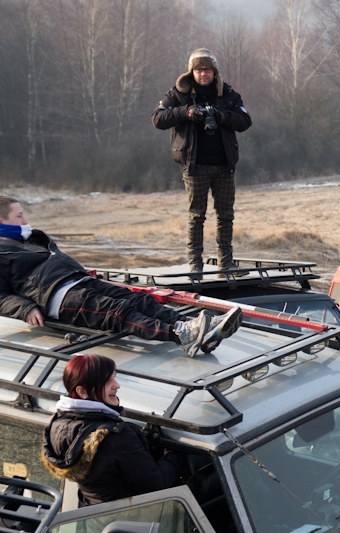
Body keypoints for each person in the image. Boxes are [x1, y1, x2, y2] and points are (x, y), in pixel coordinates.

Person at [0, 196, 241, 357]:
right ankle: (180, 335)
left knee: (138, 300)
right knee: (115, 312)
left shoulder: (29, 238)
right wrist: (24, 308)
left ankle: (198, 328)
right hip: (57, 297)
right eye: (19, 216)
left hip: (77, 280)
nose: (25, 220)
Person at [152, 48, 252, 275]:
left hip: (224, 165)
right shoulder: (179, 93)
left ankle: (226, 263)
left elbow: (246, 120)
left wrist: (222, 116)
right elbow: (157, 119)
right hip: (194, 165)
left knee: (226, 215)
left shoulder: (227, 94)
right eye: (198, 70)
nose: (203, 74)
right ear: (192, 71)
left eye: (207, 69)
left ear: (214, 71)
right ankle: (195, 264)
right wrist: (186, 112)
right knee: (197, 215)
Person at [42, 354, 186, 505]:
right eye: (107, 381)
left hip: (95, 520)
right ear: (83, 392)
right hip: (133, 520)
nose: (117, 385)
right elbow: (156, 484)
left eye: (114, 377)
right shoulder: (116, 437)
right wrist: (177, 453)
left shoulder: (57, 425)